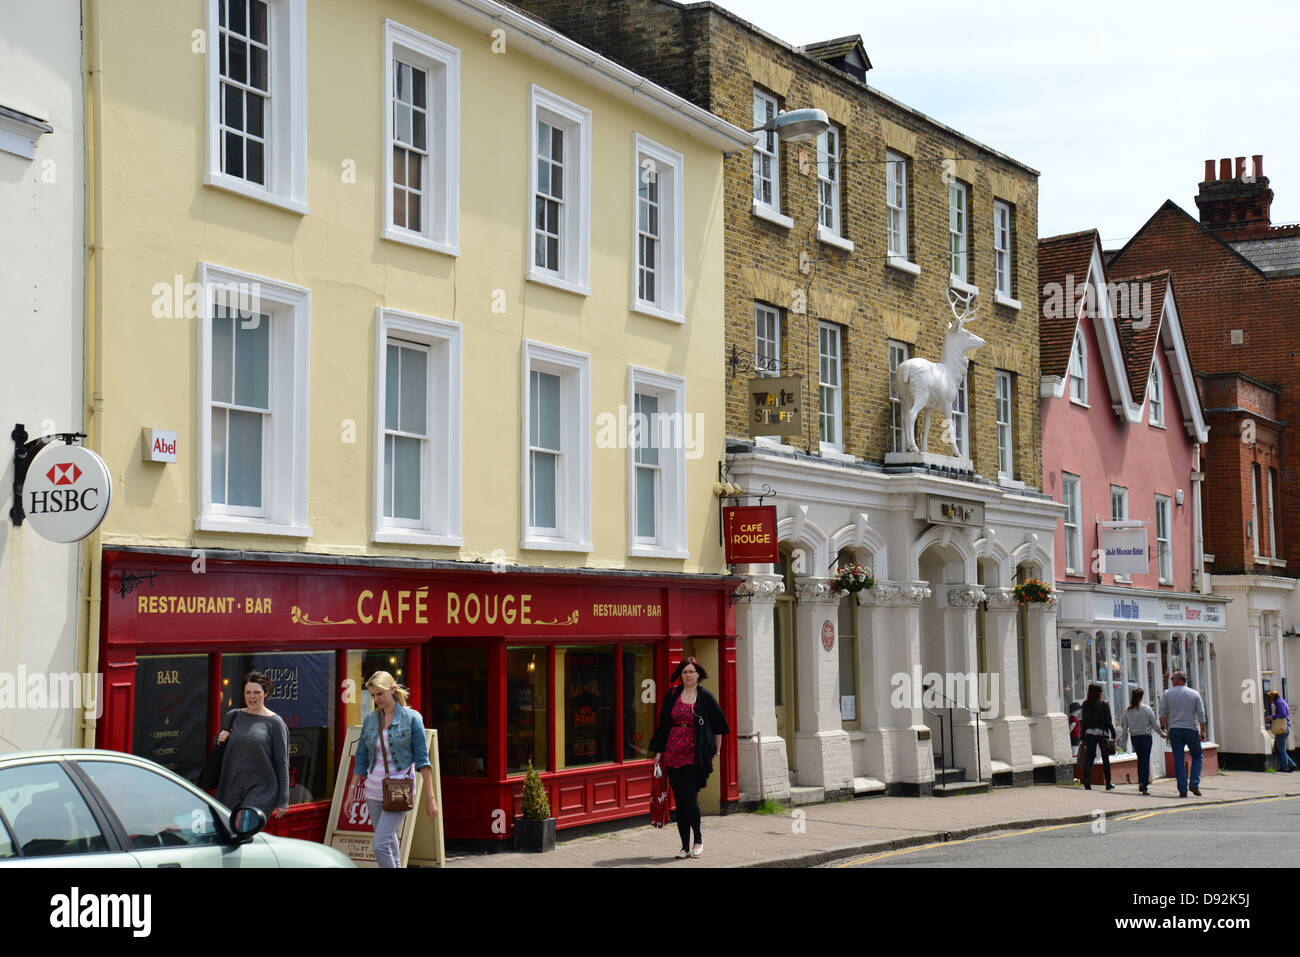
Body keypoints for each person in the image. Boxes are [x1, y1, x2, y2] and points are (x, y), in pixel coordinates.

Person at [349, 671, 438, 868]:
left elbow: (423, 761)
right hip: (372, 790)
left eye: (379, 694)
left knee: (380, 845)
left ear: (391, 689)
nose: (375, 699)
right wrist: (351, 791)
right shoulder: (371, 720)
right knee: (388, 841)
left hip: (400, 788)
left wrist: (430, 799)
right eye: (372, 695)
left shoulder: (412, 718)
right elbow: (361, 758)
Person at [648, 657, 729, 859]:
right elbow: (664, 724)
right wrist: (659, 751)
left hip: (695, 755)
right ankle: (684, 846)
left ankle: (698, 839)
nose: (688, 675)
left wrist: (716, 752)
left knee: (689, 798)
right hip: (672, 753)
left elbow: (719, 727)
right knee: (680, 802)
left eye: (692, 671)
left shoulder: (706, 697)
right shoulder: (673, 694)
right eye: (685, 672)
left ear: (698, 674)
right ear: (680, 675)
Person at [215, 670, 290, 821]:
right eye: (248, 692)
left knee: (244, 828)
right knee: (229, 834)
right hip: (230, 787)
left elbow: (282, 763)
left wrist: (283, 800)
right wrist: (219, 738)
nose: (252, 697)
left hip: (261, 791)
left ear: (266, 693)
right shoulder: (233, 716)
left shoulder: (275, 723)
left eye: (256, 692)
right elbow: (222, 746)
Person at [1159, 670, 1207, 797]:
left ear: (1178, 680)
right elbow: (1201, 714)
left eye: (1172, 678)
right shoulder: (1194, 694)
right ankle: (1194, 783)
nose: (1171, 681)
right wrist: (1202, 730)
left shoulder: (1167, 694)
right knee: (1197, 756)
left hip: (1175, 730)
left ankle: (1183, 789)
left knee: (1179, 760)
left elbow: (1162, 713)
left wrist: (1163, 728)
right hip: (1191, 729)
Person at [1121, 687, 1166, 794]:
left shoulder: (1128, 710)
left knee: (1140, 760)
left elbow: (1124, 729)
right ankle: (1144, 785)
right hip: (1145, 737)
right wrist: (1162, 734)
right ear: (1141, 697)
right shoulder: (1147, 709)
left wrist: (1123, 744)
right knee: (1145, 761)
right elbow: (1155, 725)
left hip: (1134, 738)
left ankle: (1141, 782)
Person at [1080, 683, 1116, 791]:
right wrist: (1113, 733)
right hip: (1102, 734)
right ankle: (1108, 783)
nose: (1102, 693)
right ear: (1099, 692)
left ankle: (1087, 782)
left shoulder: (1085, 704)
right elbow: (1108, 721)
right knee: (1105, 758)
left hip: (1089, 734)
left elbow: (1084, 722)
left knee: (1089, 758)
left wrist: (1083, 737)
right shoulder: (1104, 704)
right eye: (1101, 691)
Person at [1265, 691, 1297, 772]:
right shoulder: (1282, 701)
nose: (1270, 701)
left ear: (1272, 698)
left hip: (1282, 729)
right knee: (1279, 748)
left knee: (1280, 749)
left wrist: (1271, 717)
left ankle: (1285, 767)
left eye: (1269, 699)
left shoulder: (1279, 703)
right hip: (1284, 728)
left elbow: (1282, 714)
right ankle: (1291, 764)